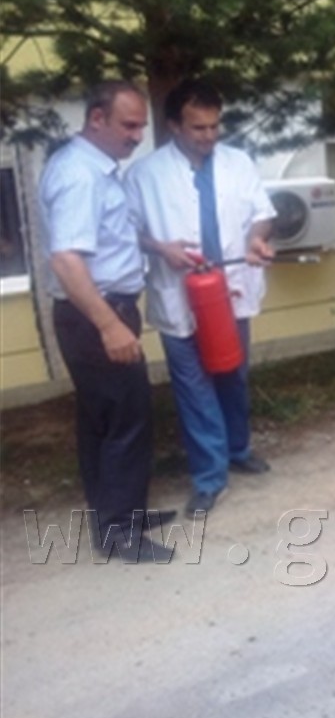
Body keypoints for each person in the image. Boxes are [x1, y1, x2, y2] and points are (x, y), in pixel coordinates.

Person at [124, 78, 276, 519]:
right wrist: (160, 248)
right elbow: (129, 231)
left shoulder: (238, 162)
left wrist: (257, 242)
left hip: (230, 290)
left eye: (214, 127)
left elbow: (261, 214)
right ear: (174, 126)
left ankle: (238, 448)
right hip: (179, 294)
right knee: (194, 387)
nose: (208, 137)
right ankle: (210, 477)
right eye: (197, 128)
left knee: (232, 375)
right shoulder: (145, 174)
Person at [37, 80, 174, 562]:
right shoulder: (81, 174)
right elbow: (68, 261)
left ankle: (116, 515)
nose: (138, 136)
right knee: (126, 419)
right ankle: (121, 532)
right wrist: (110, 326)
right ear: (97, 119)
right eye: (129, 125)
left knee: (100, 420)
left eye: (141, 125)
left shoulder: (95, 168)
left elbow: (110, 238)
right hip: (96, 315)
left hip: (95, 312)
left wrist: (159, 248)